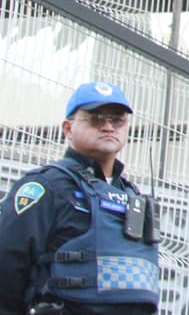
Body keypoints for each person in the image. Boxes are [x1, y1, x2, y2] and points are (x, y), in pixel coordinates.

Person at [0, 82, 159, 314]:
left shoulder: (133, 197)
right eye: (95, 118)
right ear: (68, 128)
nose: (108, 127)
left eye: (117, 120)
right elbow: (7, 265)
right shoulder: (46, 186)